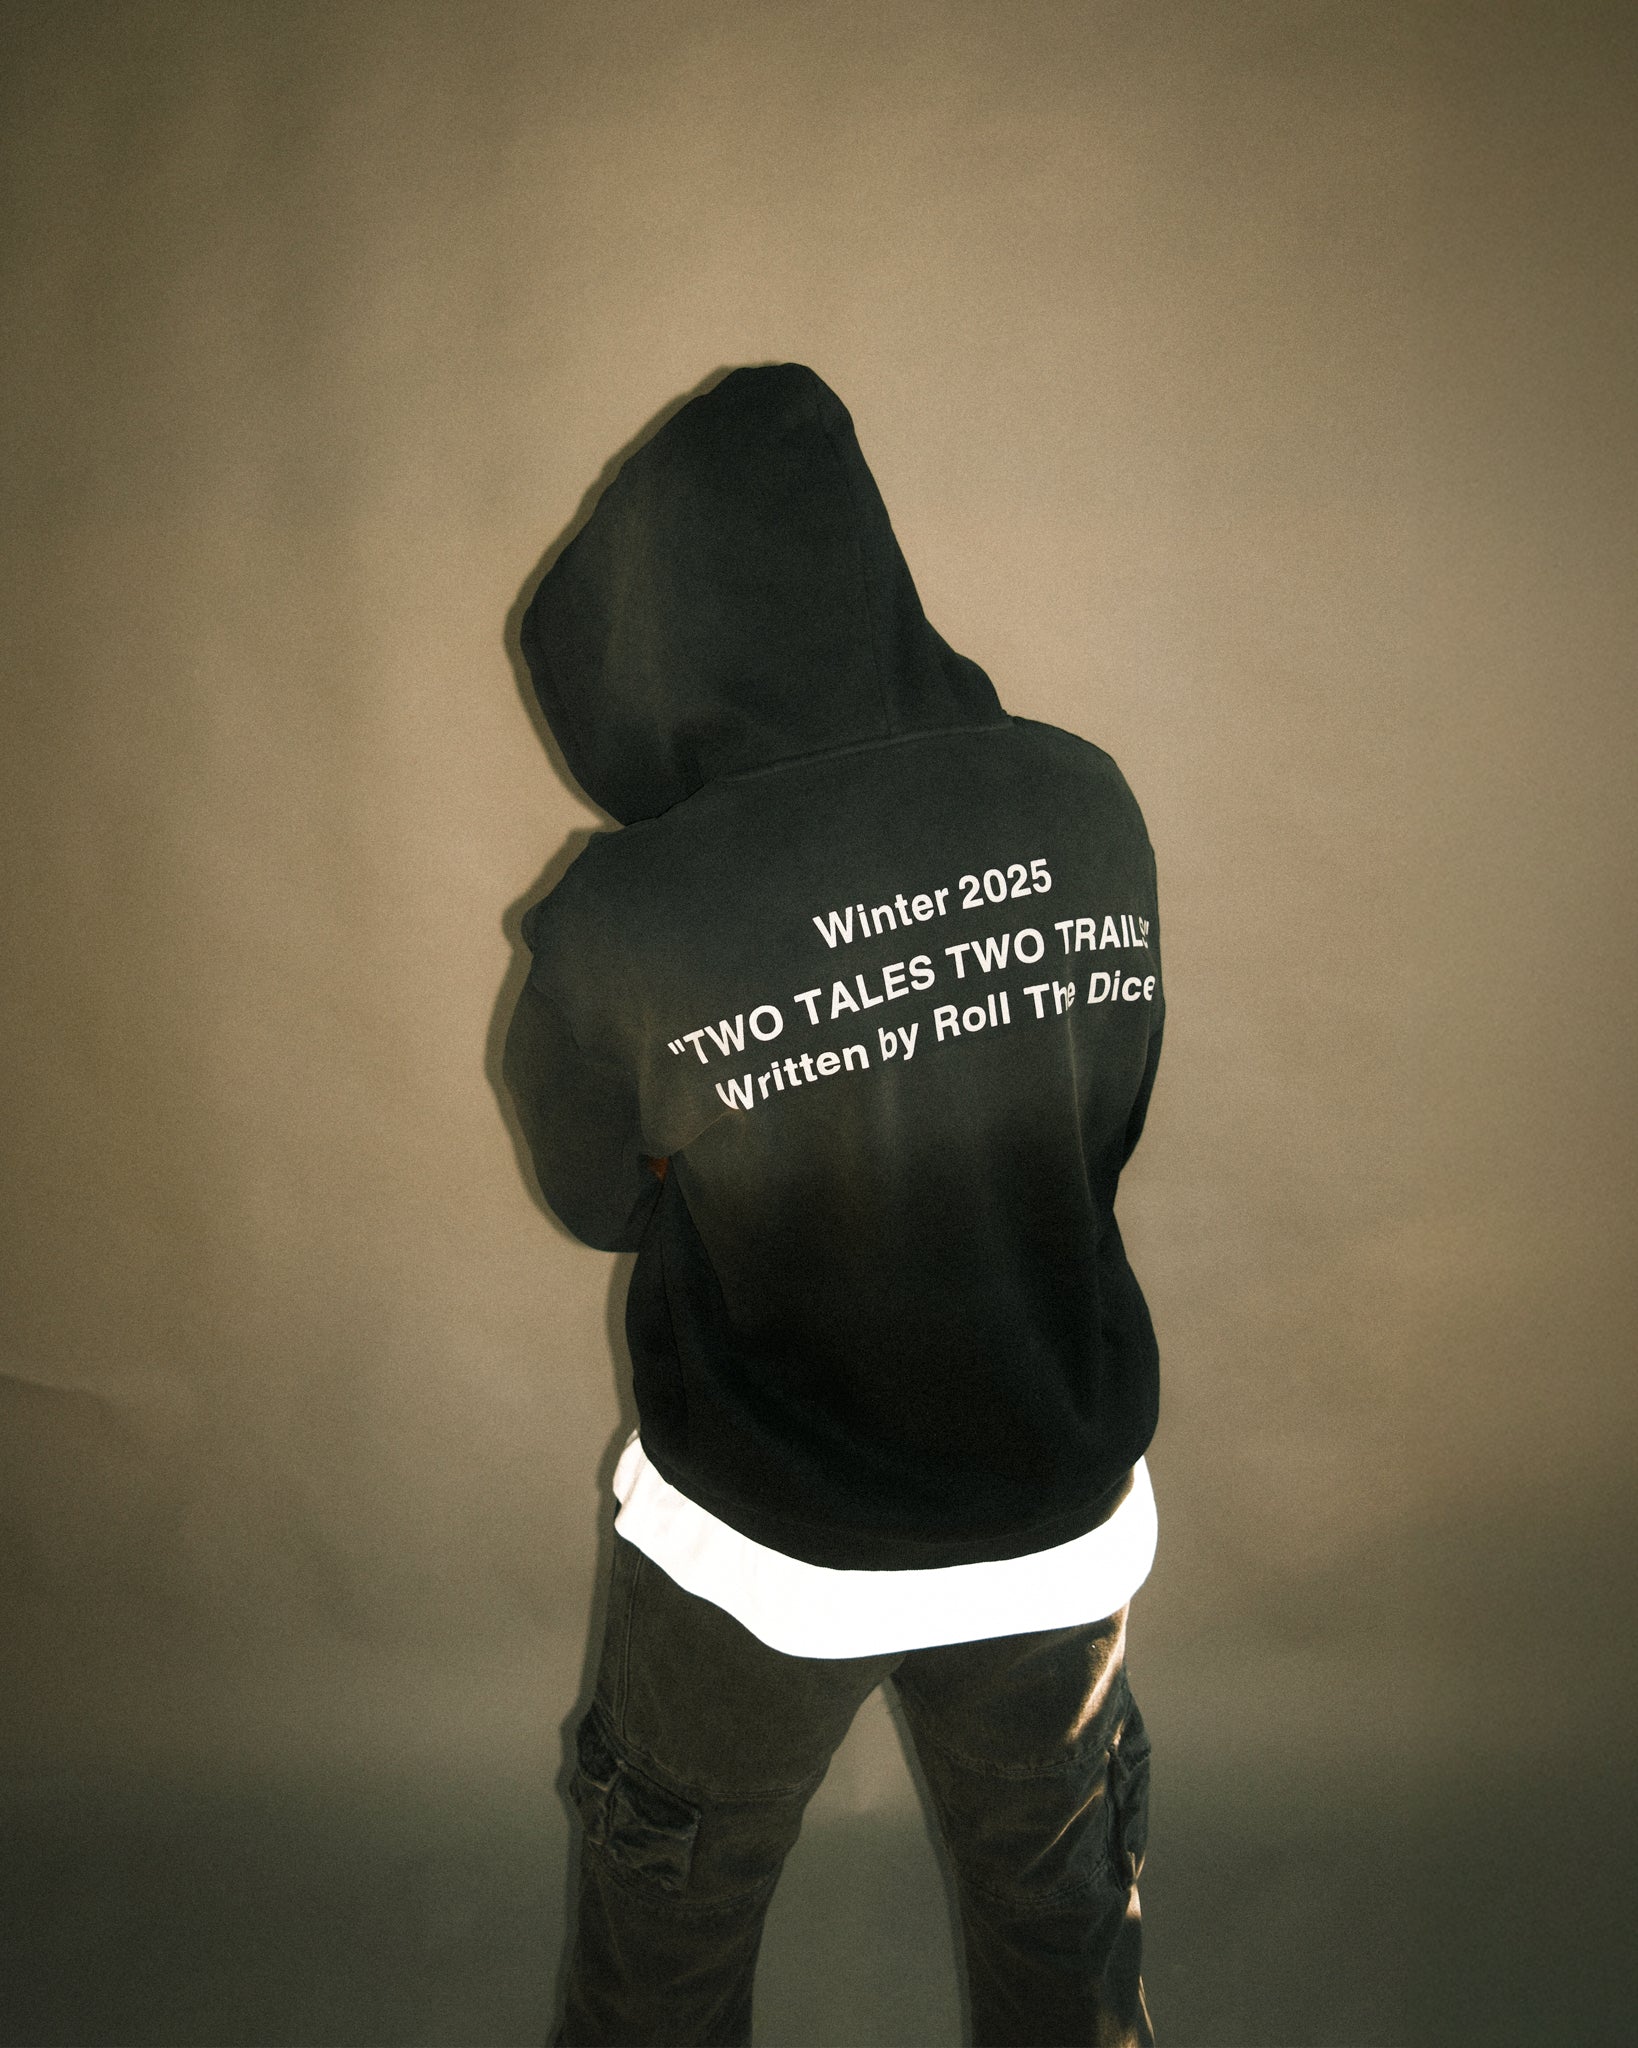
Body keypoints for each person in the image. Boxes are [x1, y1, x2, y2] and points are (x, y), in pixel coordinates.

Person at [504, 364, 1164, 2047]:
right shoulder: (1082, 799)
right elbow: (1094, 1122)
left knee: (664, 1948)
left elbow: (598, 1200)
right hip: (1053, 1508)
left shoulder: (624, 914)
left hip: (763, 1543)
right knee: (1063, 1934)